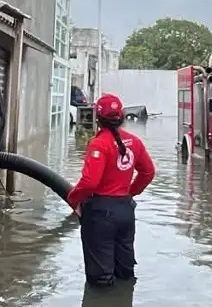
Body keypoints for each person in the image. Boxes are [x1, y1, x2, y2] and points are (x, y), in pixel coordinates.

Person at [67, 94, 156, 288]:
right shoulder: (135, 142)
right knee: (125, 272)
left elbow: (90, 183)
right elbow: (148, 172)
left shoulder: (99, 144)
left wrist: (73, 198)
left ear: (97, 119)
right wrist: (130, 193)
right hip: (125, 211)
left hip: (100, 214)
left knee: (101, 279)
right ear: (122, 116)